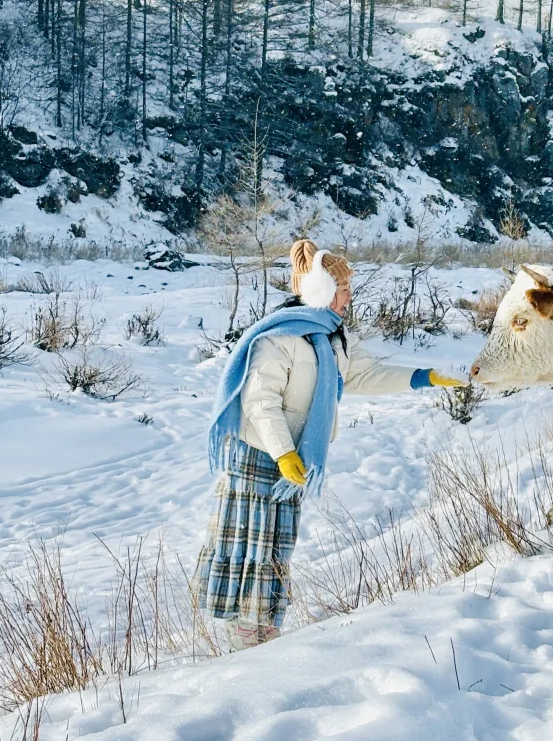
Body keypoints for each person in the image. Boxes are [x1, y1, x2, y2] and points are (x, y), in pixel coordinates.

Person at [193, 239, 462, 650]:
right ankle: (244, 636)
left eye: (349, 287)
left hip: (291, 458)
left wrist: (423, 377)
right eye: (342, 288)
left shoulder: (333, 336)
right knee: (251, 544)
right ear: (319, 289)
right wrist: (282, 452)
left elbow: (363, 375)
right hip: (257, 454)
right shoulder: (280, 337)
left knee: (276, 545)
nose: (349, 296)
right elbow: (259, 402)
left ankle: (265, 627)